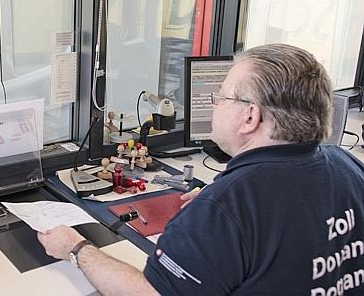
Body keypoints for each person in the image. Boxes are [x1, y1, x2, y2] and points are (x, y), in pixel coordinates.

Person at [38, 44, 364, 295]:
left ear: (250, 117)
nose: (214, 105)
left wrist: (76, 249)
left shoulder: (225, 208)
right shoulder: (347, 166)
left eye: (221, 98)